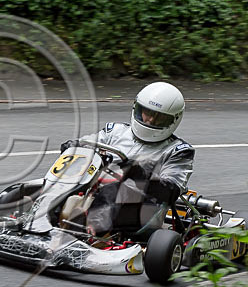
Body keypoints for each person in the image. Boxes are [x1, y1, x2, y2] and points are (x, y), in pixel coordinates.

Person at [59, 81, 194, 236]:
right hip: (97, 191)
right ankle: (38, 217)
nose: (149, 120)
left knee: (120, 189)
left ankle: (89, 232)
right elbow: (88, 143)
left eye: (159, 118)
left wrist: (139, 174)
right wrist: (73, 146)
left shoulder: (178, 151)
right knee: (66, 179)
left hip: (143, 209)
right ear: (137, 108)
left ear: (172, 120)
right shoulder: (115, 131)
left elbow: (171, 190)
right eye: (147, 112)